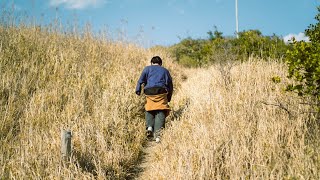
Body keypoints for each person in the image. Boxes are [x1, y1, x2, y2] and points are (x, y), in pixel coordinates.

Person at [136, 56, 173, 143]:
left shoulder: (147, 69)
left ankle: (149, 127)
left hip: (149, 92)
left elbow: (140, 81)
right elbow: (170, 85)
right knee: (161, 110)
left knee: (149, 108)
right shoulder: (165, 70)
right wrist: (169, 97)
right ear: (160, 64)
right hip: (161, 92)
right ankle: (158, 135)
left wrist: (138, 90)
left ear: (151, 63)